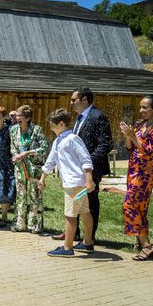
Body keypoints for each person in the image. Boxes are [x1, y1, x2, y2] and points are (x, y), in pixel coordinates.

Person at [53, 87, 112, 243]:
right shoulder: (79, 118)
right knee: (76, 201)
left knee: (89, 203)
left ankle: (89, 238)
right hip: (77, 171)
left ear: (85, 99)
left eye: (74, 100)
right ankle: (74, 233)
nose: (71, 103)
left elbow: (105, 144)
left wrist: (87, 165)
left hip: (91, 170)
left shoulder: (98, 116)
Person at [40, 108, 96, 257]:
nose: (50, 127)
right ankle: (87, 243)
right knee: (84, 212)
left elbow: (86, 159)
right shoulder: (58, 141)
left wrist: (89, 180)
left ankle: (67, 248)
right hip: (73, 184)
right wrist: (42, 178)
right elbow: (50, 161)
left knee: (70, 216)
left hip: (75, 184)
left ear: (61, 124)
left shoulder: (72, 139)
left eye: (52, 124)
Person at [120, 95, 153, 261]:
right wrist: (128, 136)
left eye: (144, 107)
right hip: (133, 168)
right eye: (140, 107)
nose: (140, 111)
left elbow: (149, 151)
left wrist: (134, 137)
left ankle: (147, 246)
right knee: (139, 207)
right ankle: (141, 244)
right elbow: (130, 148)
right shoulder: (140, 125)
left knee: (129, 205)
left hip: (145, 171)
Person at [10, 105, 48, 233]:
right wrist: (15, 155)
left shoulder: (36, 130)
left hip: (34, 169)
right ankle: (20, 224)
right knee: (20, 197)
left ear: (27, 117)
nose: (17, 118)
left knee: (34, 196)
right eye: (16, 116)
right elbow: (12, 147)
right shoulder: (13, 130)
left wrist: (29, 153)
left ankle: (35, 225)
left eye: (20, 116)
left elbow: (44, 148)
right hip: (19, 169)